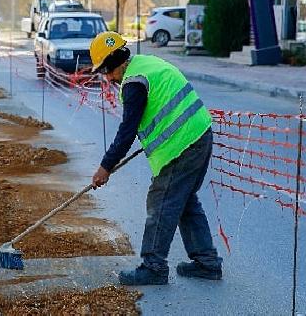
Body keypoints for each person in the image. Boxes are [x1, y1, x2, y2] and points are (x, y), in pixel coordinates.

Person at [89, 31, 223, 286]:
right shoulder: (146, 65)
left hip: (182, 145)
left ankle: (153, 267)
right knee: (183, 200)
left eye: (106, 71)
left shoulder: (133, 83)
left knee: (161, 201)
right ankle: (207, 262)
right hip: (199, 135)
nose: (107, 78)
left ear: (112, 64)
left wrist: (105, 167)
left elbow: (127, 132)